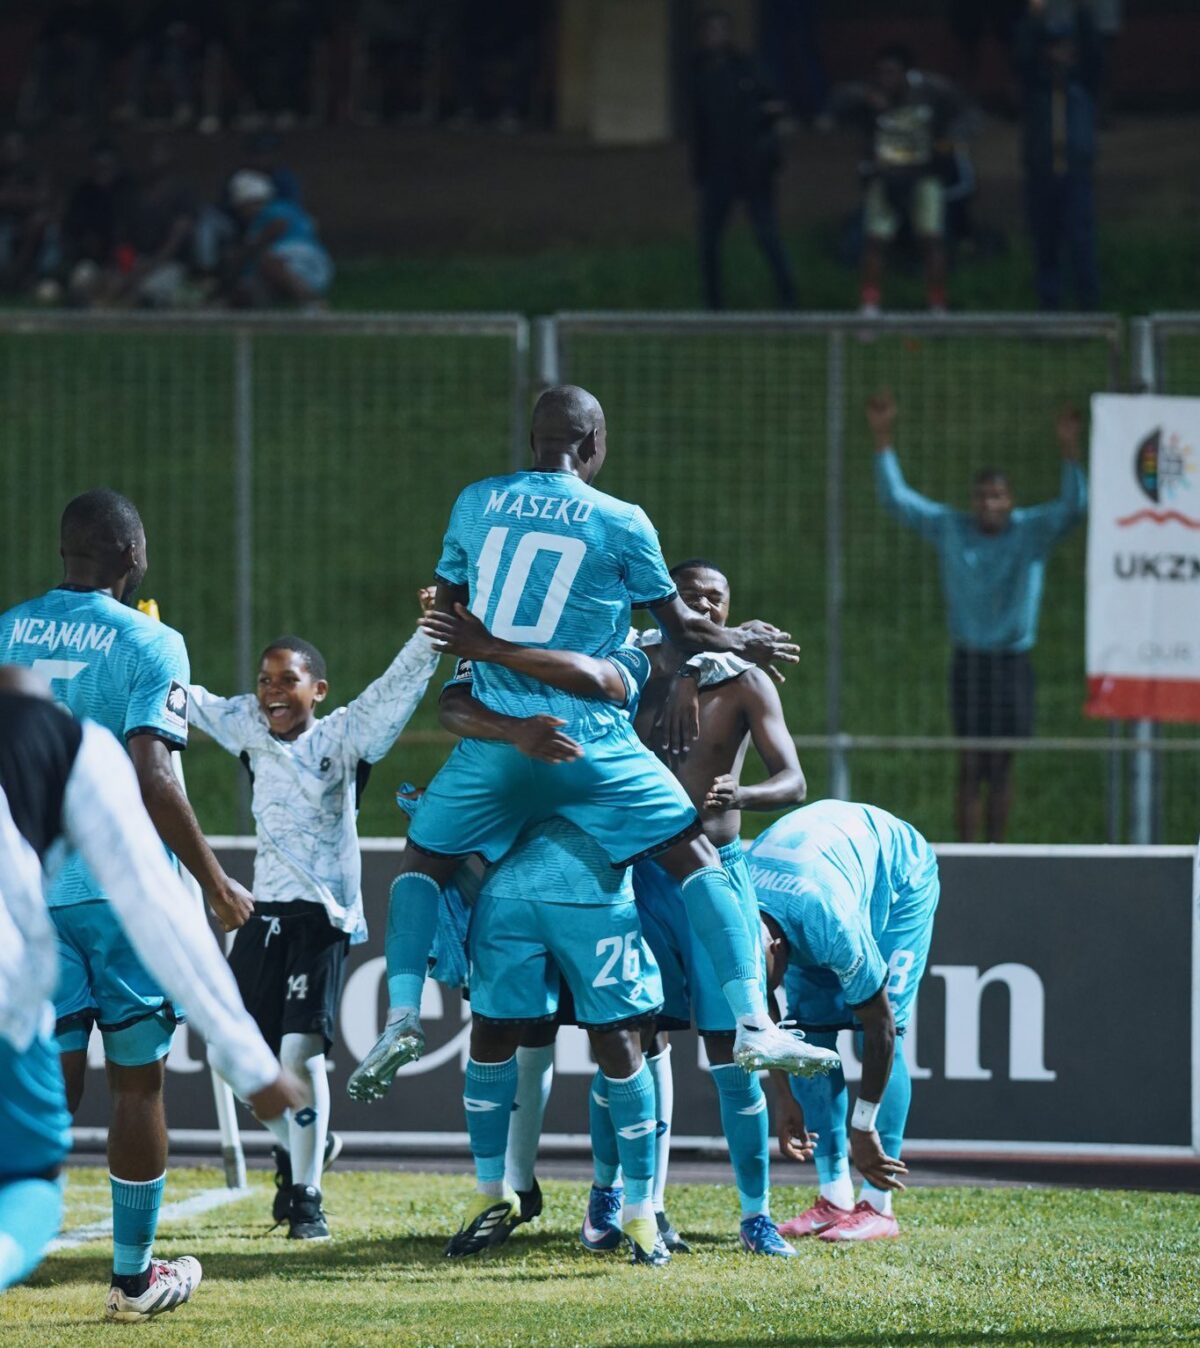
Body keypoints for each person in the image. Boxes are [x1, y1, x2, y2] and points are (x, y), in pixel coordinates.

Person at [347, 384, 828, 1105]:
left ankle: (402, 1017)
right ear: (595, 443)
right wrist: (739, 638)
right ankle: (756, 1024)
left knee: (422, 861)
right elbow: (681, 630)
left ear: (533, 439)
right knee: (696, 859)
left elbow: (447, 618)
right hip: (593, 746)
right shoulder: (621, 521)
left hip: (497, 740)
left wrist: (484, 644)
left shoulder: (474, 501)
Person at [423, 607, 755, 1265]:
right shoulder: (505, 634)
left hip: (599, 887)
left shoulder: (621, 646)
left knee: (624, 1039)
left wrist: (718, 654)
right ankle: (503, 1192)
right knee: (504, 1031)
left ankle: (638, 1208)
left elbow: (667, 651)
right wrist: (511, 727)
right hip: (514, 882)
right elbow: (453, 704)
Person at [0, 490, 258, 1313]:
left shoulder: (9, 629)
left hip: (28, 890)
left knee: (42, 1074)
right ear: (130, 555)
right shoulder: (150, 639)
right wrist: (215, 883)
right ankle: (133, 1280)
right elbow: (154, 779)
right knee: (136, 1084)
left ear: (65, 550)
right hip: (117, 892)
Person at [0, 666, 301, 1311]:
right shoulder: (80, 733)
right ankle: (133, 1279)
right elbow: (156, 904)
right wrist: (249, 1059)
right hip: (41, 954)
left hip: (38, 940)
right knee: (42, 1169)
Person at [185, 593, 441, 1239]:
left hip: (321, 917)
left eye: (287, 680)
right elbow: (185, 700)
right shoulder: (247, 725)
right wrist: (147, 657)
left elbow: (395, 689)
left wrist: (429, 633)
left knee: (299, 1054)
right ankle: (309, 1142)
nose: (272, 691)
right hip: (263, 913)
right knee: (230, 1055)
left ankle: (306, 1199)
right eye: (264, 680)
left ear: (317, 690)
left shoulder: (345, 736)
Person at [600, 558, 810, 1258]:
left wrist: (741, 795)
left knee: (734, 1046)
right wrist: (683, 672)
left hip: (719, 870)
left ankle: (756, 1215)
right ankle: (625, 1202)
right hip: (641, 874)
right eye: (690, 596)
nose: (704, 607)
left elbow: (793, 780)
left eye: (716, 599)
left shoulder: (747, 681)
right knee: (629, 1036)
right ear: (666, 602)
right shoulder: (628, 671)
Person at [867, 390, 1087, 842]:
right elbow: (898, 500)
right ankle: (969, 851)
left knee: (1002, 764)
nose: (989, 503)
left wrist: (1070, 447)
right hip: (970, 660)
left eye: (998, 496)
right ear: (973, 501)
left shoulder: (1030, 531)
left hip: (1012, 661)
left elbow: (1074, 508)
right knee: (969, 763)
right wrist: (882, 435)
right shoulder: (952, 528)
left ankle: (997, 850)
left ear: (1011, 500)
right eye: (982, 496)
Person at [750, 798, 940, 1243]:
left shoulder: (828, 920)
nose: (767, 991)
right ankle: (834, 1196)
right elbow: (763, 1020)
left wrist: (863, 1126)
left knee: (874, 1030)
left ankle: (878, 1205)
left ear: (776, 949)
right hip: (816, 885)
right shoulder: (734, 917)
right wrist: (784, 1097)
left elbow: (881, 1028)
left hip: (898, 881)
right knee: (809, 1036)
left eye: (768, 981)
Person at [830, 45, 967, 313]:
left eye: (891, 72)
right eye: (881, 73)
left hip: (924, 175)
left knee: (931, 239)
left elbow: (966, 115)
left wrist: (946, 144)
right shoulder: (872, 95)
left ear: (906, 72)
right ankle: (870, 303)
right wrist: (866, 97)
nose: (886, 79)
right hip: (886, 176)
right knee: (875, 240)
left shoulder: (931, 90)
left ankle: (937, 303)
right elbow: (836, 103)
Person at [690, 8, 796, 310]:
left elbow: (775, 104)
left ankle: (788, 298)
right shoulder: (699, 73)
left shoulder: (747, 68)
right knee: (709, 239)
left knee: (766, 234)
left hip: (753, 167)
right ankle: (713, 305)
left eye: (720, 29)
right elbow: (700, 127)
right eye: (710, 30)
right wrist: (699, 169)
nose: (715, 36)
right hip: (718, 168)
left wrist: (763, 120)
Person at [1016, 0, 1101, 310]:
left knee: (1081, 242)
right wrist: (1034, 17)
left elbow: (1094, 53)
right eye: (1054, 48)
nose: (1060, 54)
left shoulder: (1084, 86)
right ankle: (1050, 310)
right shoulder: (1035, 88)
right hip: (1041, 176)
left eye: (1065, 47)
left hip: (1076, 176)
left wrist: (1083, 11)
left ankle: (1089, 309)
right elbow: (1022, 57)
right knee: (1045, 243)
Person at [223, 169, 333, 306]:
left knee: (268, 262)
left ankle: (312, 301)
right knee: (245, 291)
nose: (244, 212)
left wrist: (248, 250)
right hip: (279, 273)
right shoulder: (254, 225)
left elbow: (279, 225)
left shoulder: (276, 208)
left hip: (303, 262)